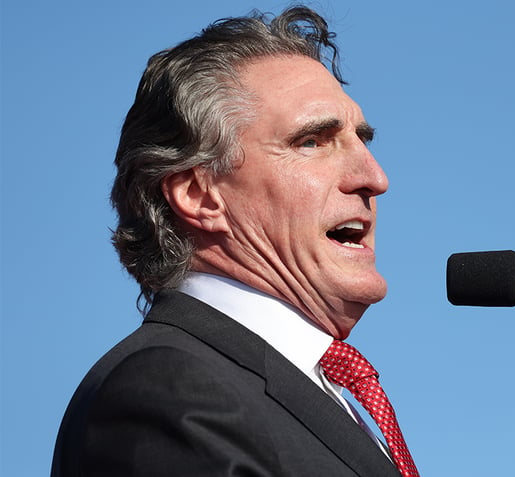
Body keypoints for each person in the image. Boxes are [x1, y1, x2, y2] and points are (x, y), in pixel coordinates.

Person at [51, 6, 418, 476]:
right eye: (312, 142)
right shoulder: (167, 390)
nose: (375, 177)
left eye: (362, 141)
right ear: (199, 195)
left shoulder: (320, 394)